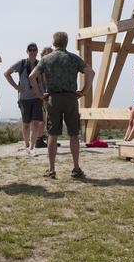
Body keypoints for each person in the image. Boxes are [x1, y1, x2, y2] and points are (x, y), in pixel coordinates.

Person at [29, 31, 95, 180]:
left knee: (52, 134)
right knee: (73, 134)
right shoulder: (73, 58)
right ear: (66, 43)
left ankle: (52, 169)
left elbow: (32, 77)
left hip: (53, 98)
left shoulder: (46, 59)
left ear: (54, 43)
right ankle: (76, 168)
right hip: (71, 98)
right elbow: (90, 72)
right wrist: (84, 91)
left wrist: (40, 95)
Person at [5, 43, 44, 154]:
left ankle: (32, 146)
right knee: (26, 123)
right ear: (27, 51)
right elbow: (7, 73)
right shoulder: (21, 63)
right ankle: (26, 144)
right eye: (30, 50)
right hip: (25, 98)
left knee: (36, 122)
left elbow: (44, 78)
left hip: (37, 96)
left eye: (34, 50)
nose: (32, 52)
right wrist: (16, 86)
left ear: (37, 51)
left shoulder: (40, 64)